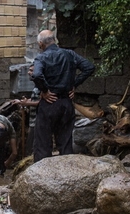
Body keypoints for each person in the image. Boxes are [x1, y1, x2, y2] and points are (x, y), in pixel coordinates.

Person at [30, 30, 94, 161]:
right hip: (66, 103)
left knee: (43, 143)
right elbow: (89, 67)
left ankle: (42, 176)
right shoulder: (69, 54)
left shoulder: (41, 58)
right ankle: (68, 174)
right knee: (65, 142)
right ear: (55, 40)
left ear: (41, 44)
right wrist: (74, 84)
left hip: (49, 103)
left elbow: (36, 75)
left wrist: (44, 91)